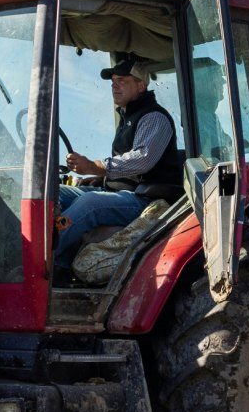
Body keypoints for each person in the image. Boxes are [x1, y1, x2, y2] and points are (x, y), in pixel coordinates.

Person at [55, 59, 183, 274]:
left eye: (121, 80)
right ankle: (54, 255)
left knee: (89, 203)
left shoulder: (154, 117)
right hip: (118, 191)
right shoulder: (128, 117)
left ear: (141, 85)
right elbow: (125, 166)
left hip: (145, 200)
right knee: (54, 192)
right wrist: (102, 179)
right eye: (113, 81)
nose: (114, 85)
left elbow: (142, 160)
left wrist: (96, 167)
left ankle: (48, 266)